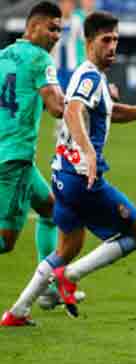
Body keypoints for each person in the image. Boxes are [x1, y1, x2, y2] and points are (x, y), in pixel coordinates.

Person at [1, 11, 136, 327]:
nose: (112, 46)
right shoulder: (87, 76)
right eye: (106, 40)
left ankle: (18, 311)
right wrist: (88, 155)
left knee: (68, 244)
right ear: (88, 42)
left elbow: (110, 112)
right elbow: (71, 110)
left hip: (61, 175)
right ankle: (69, 277)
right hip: (80, 177)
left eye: (116, 40)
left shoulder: (89, 76)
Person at [0, 2, 65, 263]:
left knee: (51, 209)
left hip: (6, 152)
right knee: (5, 241)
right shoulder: (41, 58)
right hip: (15, 158)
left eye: (59, 31)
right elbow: (57, 108)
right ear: (34, 26)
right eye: (52, 28)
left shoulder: (3, 55)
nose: (56, 36)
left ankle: (48, 286)